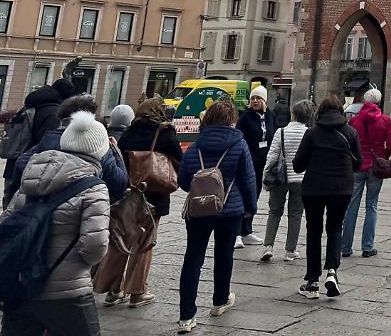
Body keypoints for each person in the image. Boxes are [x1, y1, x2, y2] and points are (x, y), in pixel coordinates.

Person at [1, 110, 111, 336]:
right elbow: (95, 245)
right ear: (100, 150)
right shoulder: (95, 187)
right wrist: (79, 266)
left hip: (22, 284)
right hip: (68, 290)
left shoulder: (33, 174)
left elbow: (7, 222)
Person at [176, 100, 257, 334]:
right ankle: (220, 300)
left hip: (199, 210)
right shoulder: (239, 145)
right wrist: (250, 208)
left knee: (193, 257)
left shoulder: (194, 147)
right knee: (224, 254)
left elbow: (183, 181)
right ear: (232, 121)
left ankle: (186, 317)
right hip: (229, 210)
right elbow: (248, 180)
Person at [96, 97, 183, 308]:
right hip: (154, 195)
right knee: (144, 243)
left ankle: (113, 289)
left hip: (129, 193)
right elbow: (179, 160)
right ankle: (137, 292)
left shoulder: (129, 131)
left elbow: (120, 160)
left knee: (121, 239)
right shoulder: (165, 132)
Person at [293, 94, 362, 300]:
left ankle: (313, 281)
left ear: (320, 112)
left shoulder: (312, 133)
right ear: (341, 111)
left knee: (314, 232)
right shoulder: (350, 132)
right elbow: (358, 163)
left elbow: (298, 165)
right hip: (341, 189)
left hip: (314, 189)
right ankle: (332, 272)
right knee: (335, 228)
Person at [11, 94, 128, 205]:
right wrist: (115, 150)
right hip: (82, 208)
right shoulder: (96, 145)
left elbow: (21, 162)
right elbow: (119, 183)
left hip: (42, 209)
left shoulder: (49, 139)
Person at [2, 78, 77, 207]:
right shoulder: (53, 113)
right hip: (30, 169)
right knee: (19, 211)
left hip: (14, 163)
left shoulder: (32, 105)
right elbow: (47, 145)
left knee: (9, 206)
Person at [341, 88, 391, 259]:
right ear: (379, 102)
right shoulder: (385, 120)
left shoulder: (355, 120)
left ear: (365, 101)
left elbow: (348, 142)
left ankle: (346, 247)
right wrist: (383, 157)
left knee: (351, 206)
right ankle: (367, 247)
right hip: (376, 167)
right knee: (371, 205)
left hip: (357, 166)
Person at [259, 101, 313, 263]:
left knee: (274, 211)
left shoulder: (280, 132)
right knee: (295, 214)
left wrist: (265, 176)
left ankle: (268, 246)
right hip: (300, 179)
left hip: (279, 178)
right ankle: (290, 250)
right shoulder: (309, 133)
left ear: (293, 114)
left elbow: (272, 156)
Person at [235, 85, 276, 248]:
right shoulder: (245, 118)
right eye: (252, 98)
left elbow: (274, 135)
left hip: (263, 163)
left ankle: (247, 231)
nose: (254, 101)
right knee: (243, 196)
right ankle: (236, 232)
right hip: (248, 162)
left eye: (258, 98)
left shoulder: (271, 116)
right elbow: (241, 138)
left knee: (254, 197)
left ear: (264, 100)